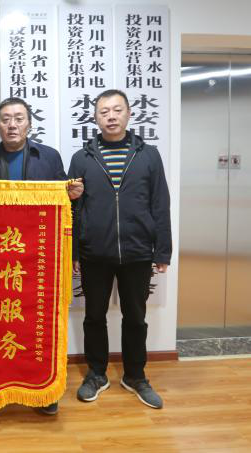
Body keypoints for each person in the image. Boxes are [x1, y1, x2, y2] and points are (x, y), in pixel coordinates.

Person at [0, 97, 84, 416]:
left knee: (39, 323)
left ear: (29, 124)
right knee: (0, 322)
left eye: (19, 118)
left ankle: (43, 391)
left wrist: (72, 195)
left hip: (40, 257)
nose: (12, 124)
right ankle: (0, 383)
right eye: (5, 119)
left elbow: (63, 204)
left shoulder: (49, 157)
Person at [68, 89, 171, 409]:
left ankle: (135, 376)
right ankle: (96, 374)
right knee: (94, 316)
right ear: (95, 117)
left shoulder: (148, 155)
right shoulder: (82, 158)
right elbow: (73, 209)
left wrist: (163, 251)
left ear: (128, 113)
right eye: (103, 112)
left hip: (137, 251)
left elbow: (160, 203)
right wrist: (74, 252)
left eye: (116, 110)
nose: (111, 117)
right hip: (94, 252)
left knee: (136, 317)